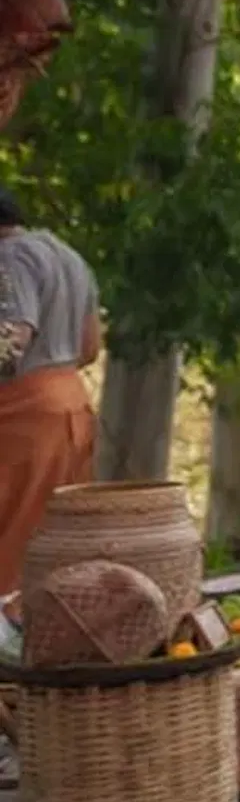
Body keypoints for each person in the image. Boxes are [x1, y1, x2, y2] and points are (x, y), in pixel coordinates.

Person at [0, 184, 102, 594]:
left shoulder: (7, 259)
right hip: (70, 405)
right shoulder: (68, 257)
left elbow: (11, 340)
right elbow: (90, 347)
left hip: (21, 413)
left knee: (13, 531)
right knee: (56, 538)